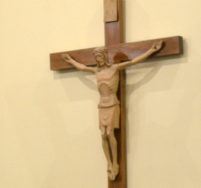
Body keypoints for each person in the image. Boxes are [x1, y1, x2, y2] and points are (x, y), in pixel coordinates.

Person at [61, 41, 163, 180]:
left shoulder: (114, 68)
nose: (98, 60)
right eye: (96, 58)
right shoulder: (95, 71)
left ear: (105, 57)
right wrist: (71, 60)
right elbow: (82, 68)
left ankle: (115, 163)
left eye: (100, 57)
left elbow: (134, 62)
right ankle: (108, 163)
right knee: (102, 134)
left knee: (109, 133)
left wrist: (151, 50)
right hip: (102, 105)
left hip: (112, 104)